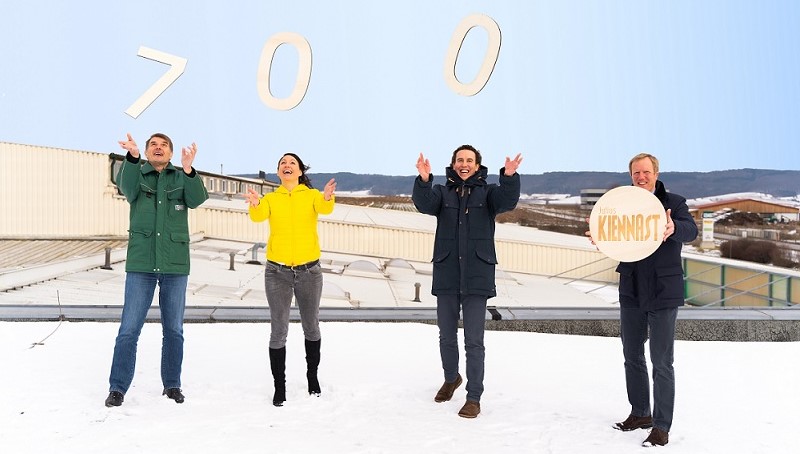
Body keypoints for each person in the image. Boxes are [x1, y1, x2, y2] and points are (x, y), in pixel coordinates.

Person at [590, 153, 698, 447]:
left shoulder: (673, 203)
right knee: (631, 354)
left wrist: (674, 228)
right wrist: (601, 237)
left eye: (645, 172)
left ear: (656, 173)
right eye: (636, 173)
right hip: (632, 288)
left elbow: (692, 231)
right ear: (631, 175)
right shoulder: (623, 203)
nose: (641, 177)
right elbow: (615, 234)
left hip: (664, 290)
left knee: (662, 362)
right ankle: (640, 413)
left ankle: (661, 426)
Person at [412, 145, 522, 418]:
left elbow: (508, 201)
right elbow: (424, 204)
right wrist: (425, 180)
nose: (464, 164)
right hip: (447, 272)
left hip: (477, 275)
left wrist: (508, 177)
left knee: (474, 340)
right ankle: (451, 379)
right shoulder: (441, 192)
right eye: (460, 160)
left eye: (469, 160)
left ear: (477, 165)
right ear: (453, 164)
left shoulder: (489, 193)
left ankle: (474, 396)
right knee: (446, 335)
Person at [105, 132, 209, 407]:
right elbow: (125, 187)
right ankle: (117, 388)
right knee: (129, 329)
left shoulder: (180, 177)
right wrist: (132, 156)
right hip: (141, 264)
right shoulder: (137, 174)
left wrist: (188, 170)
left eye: (164, 145)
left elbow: (197, 199)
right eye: (154, 145)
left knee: (173, 330)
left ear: (171, 153)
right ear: (148, 152)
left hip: (175, 264)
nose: (158, 148)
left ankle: (172, 385)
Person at [245, 153, 336, 407]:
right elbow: (258, 215)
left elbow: (325, 207)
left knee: (311, 327)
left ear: (299, 171)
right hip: (277, 273)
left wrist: (328, 196)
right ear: (278, 172)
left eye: (291, 163)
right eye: (282, 163)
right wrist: (254, 203)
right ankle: (279, 386)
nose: (287, 166)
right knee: (278, 331)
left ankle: (312, 377)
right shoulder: (271, 198)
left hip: (309, 272)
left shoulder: (312, 195)